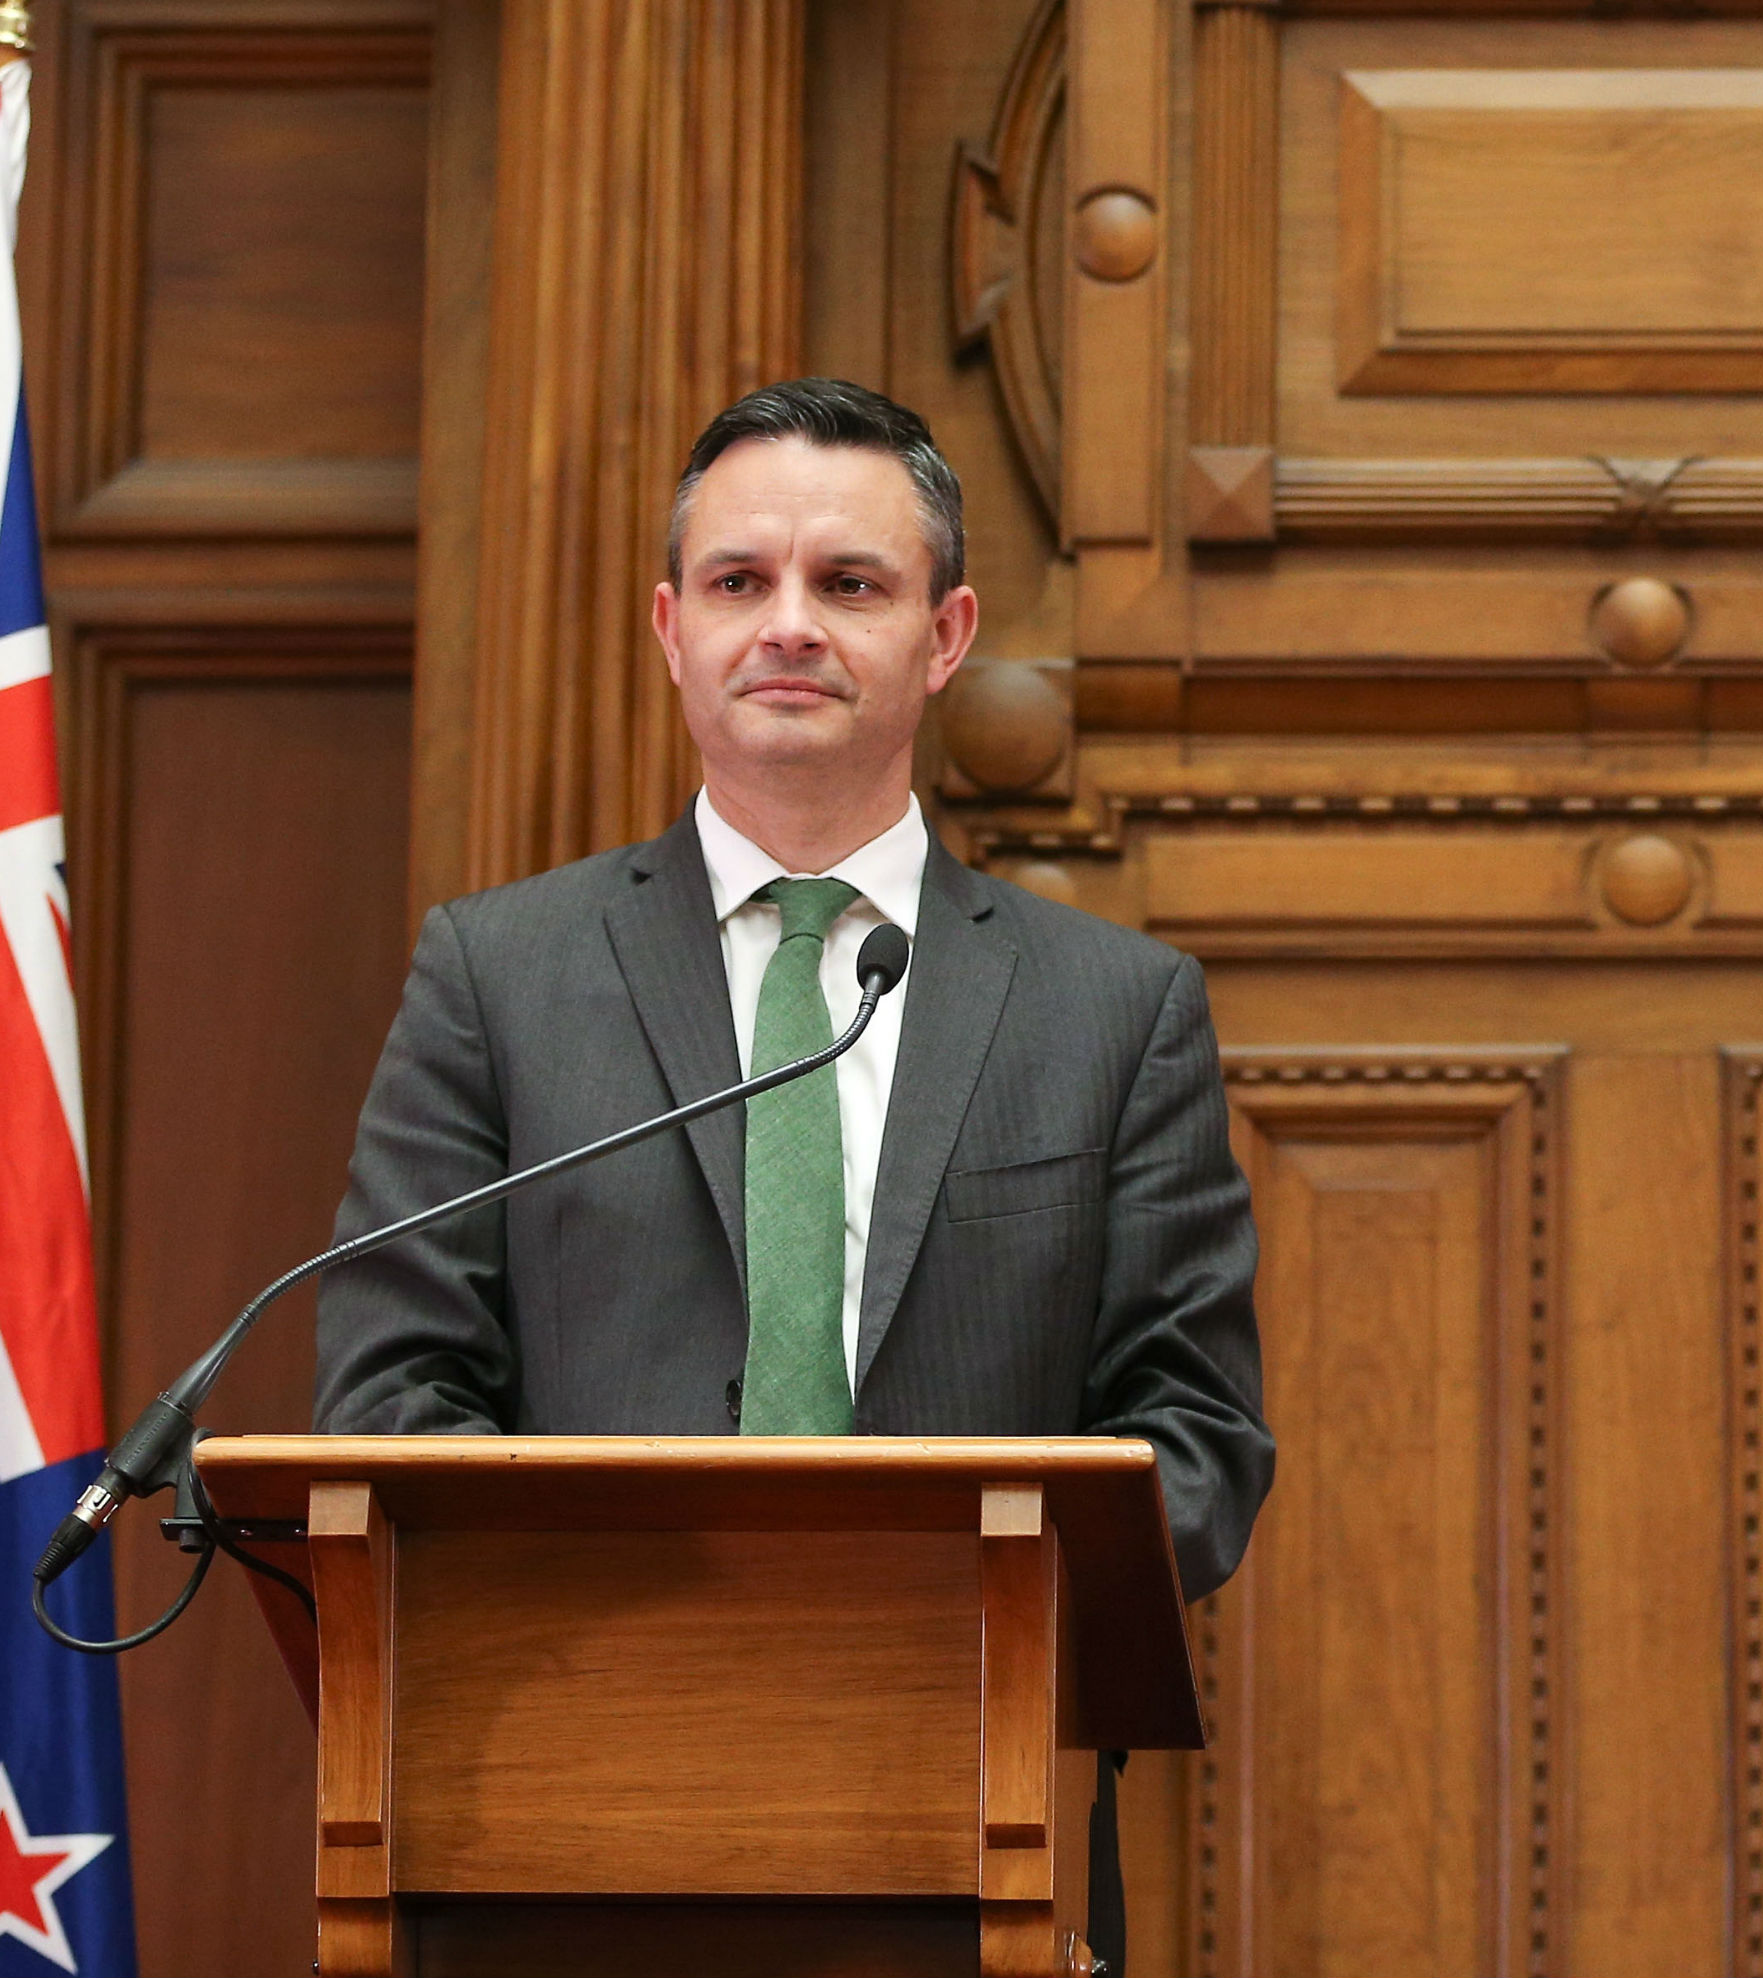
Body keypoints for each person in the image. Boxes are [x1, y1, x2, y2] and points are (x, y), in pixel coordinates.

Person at [315, 378, 1273, 1597]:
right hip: (587, 1684)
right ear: (672, 629)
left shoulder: (1115, 1010)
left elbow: (1196, 1440)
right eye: (738, 582)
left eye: (849, 584)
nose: (789, 626)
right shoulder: (498, 977)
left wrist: (942, 1611)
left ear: (946, 636)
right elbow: (389, 1394)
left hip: (969, 1690)